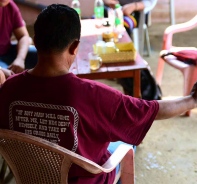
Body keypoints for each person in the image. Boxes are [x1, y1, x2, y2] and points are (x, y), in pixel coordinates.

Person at [0, 4, 197, 183]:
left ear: (35, 41)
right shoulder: (93, 95)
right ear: (75, 47)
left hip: (31, 175)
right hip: (86, 180)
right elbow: (151, 110)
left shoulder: (8, 89)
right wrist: (191, 100)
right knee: (126, 146)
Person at [0, 0, 37, 75]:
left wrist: (20, 59)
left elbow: (23, 36)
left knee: (43, 55)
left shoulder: (10, 6)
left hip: (7, 52)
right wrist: (1, 71)